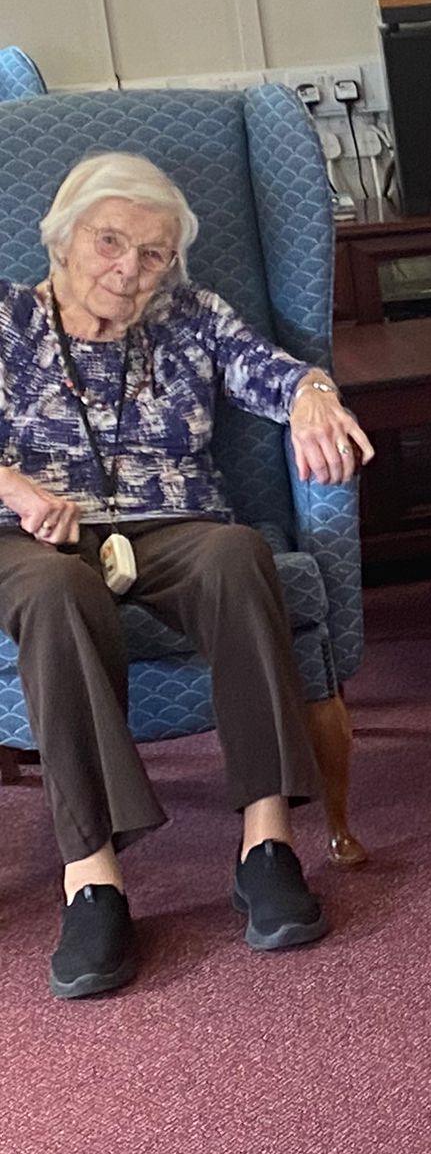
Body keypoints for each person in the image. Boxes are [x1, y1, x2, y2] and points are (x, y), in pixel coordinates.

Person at [0, 153, 374, 998]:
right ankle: (92, 879)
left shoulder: (192, 317)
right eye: (110, 241)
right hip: (30, 536)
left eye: (154, 253)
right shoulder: (7, 321)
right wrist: (14, 487)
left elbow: (275, 373)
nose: (129, 268)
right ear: (63, 238)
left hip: (170, 523)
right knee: (58, 592)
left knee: (238, 555)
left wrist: (314, 393)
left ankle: (267, 845)